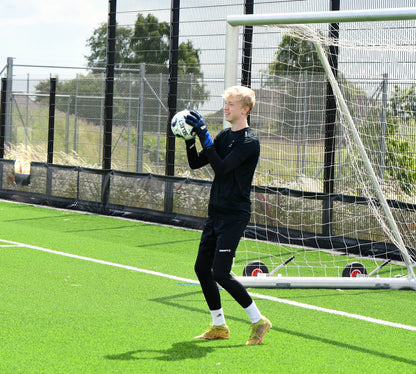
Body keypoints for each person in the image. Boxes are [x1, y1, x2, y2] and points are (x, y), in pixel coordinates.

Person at [184, 85, 272, 346]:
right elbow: (195, 163)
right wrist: (189, 137)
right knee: (202, 268)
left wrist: (204, 135)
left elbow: (221, 169)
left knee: (220, 272)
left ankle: (258, 321)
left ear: (245, 109)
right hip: (216, 213)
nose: (226, 107)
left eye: (231, 104)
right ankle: (219, 326)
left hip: (234, 214)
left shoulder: (249, 141)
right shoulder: (224, 136)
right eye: (225, 103)